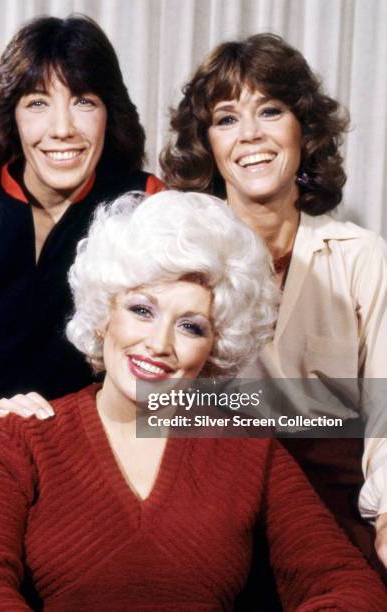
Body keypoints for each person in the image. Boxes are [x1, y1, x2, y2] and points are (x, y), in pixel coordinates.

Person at [0, 190, 387, 609]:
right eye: (142, 310)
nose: (159, 343)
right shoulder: (17, 437)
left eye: (191, 326)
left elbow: (351, 587)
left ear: (215, 346)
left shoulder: (250, 449)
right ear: (103, 316)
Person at [0, 15, 163, 590]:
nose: (61, 129)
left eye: (84, 101)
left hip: (82, 484)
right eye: (38, 102)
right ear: (10, 115)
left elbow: (172, 365)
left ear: (109, 112)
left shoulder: (148, 206)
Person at [160, 33, 387, 576]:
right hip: (210, 499)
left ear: (303, 129)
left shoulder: (360, 256)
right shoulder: (177, 250)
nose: (251, 135)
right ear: (208, 143)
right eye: (226, 118)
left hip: (335, 503)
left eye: (270, 110)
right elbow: (144, 392)